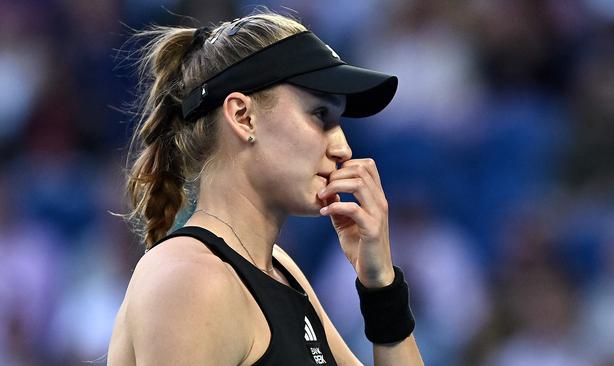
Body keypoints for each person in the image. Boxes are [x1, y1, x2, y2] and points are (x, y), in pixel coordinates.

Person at [107, 10, 424, 366]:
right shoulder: (191, 280)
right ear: (243, 116)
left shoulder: (279, 270)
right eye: (320, 115)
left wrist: (380, 285)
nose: (343, 148)